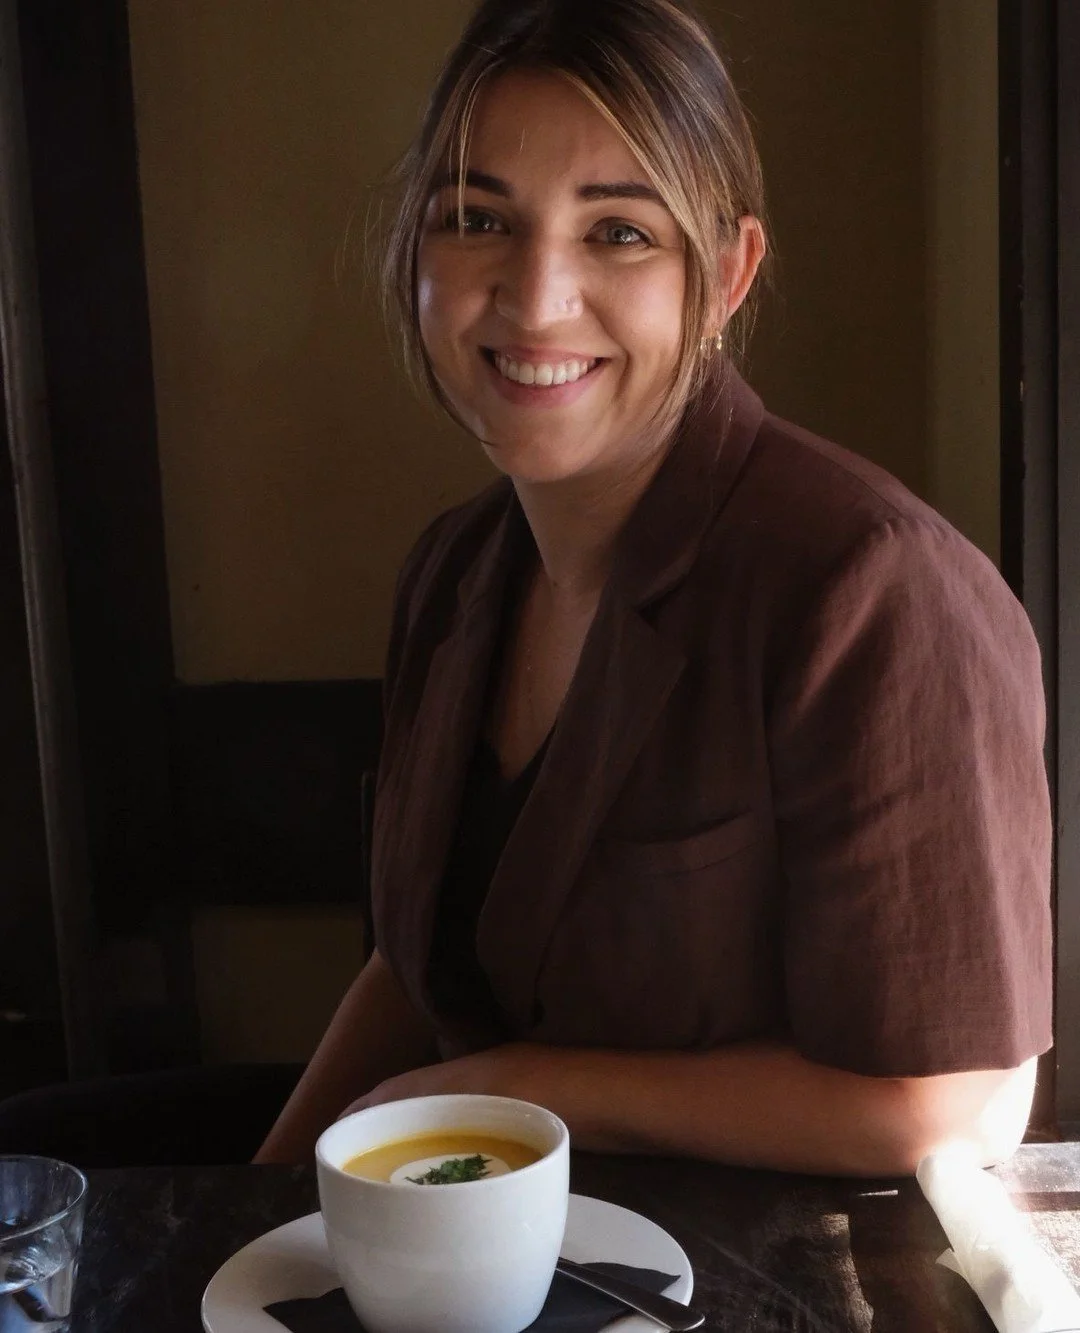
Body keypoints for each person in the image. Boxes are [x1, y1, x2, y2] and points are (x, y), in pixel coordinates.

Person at [255, 0, 1052, 1175]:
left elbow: (947, 1105)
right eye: (478, 220)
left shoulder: (873, 588)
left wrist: (521, 1088)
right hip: (483, 1251)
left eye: (618, 233)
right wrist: (254, 1207)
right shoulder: (453, 573)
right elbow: (411, 968)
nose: (534, 300)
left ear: (724, 275)